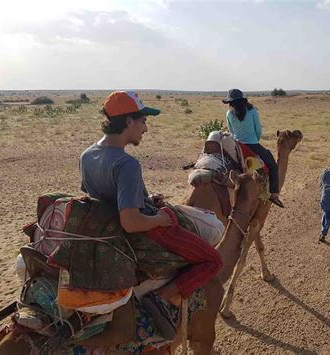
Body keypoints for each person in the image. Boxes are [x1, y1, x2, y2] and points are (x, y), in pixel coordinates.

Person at [79, 91, 222, 337]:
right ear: (128, 122)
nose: (145, 128)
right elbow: (131, 222)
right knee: (213, 260)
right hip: (147, 233)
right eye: (143, 121)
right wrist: (159, 218)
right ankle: (163, 298)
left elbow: (101, 198)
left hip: (109, 231)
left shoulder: (87, 155)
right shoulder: (126, 164)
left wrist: (144, 199)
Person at [222, 88, 284, 208]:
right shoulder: (253, 111)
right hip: (253, 145)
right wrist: (254, 140)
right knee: (272, 165)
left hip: (237, 146)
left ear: (231, 102)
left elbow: (231, 131)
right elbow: (258, 130)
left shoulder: (229, 114)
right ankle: (274, 194)